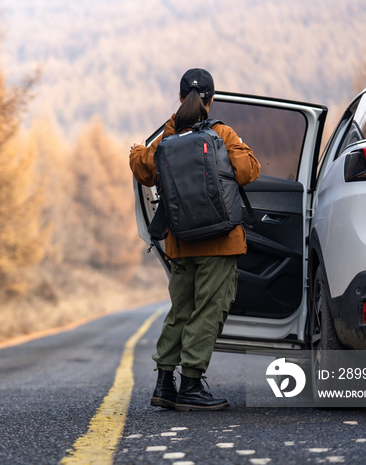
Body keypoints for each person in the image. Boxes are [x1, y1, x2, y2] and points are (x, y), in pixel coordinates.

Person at [129, 68, 260, 411]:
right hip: (220, 242)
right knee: (207, 311)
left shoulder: (166, 139)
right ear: (211, 99)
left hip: (181, 243)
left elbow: (143, 170)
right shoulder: (223, 132)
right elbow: (248, 171)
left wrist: (135, 151)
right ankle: (190, 385)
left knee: (181, 310)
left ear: (180, 97)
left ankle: (164, 383)